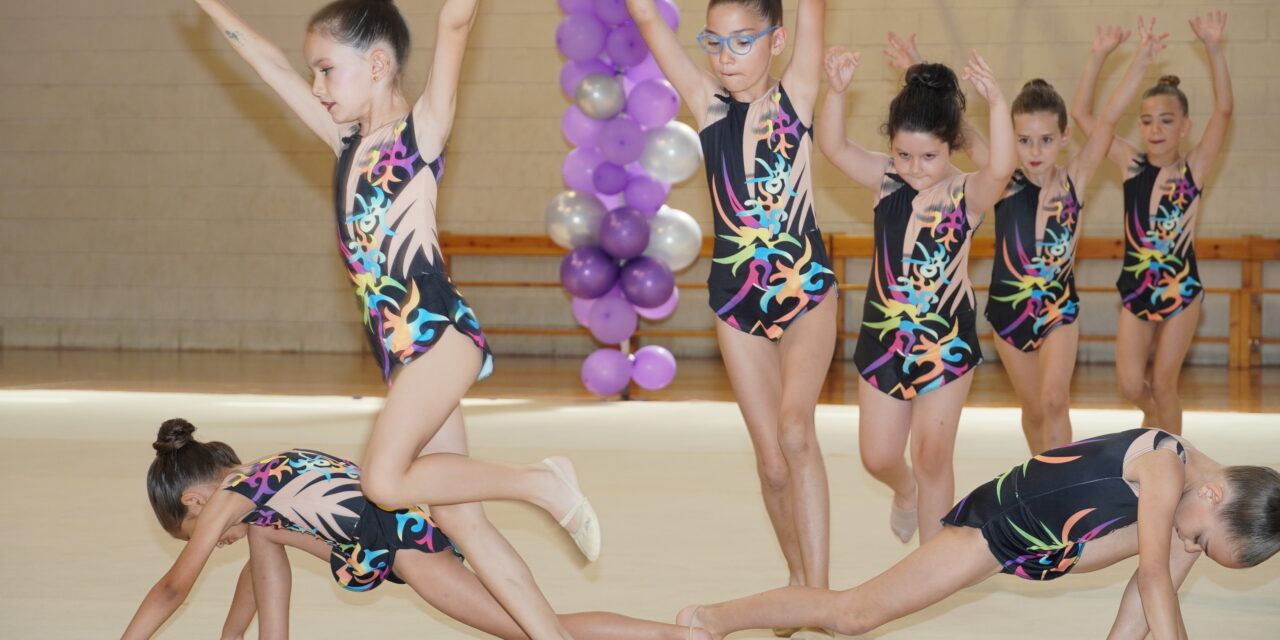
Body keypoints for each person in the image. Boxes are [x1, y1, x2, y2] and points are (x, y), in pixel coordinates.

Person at [183, 2, 599, 637]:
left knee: (382, 478)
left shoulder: (419, 134)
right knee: (462, 521)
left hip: (437, 333)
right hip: (406, 356)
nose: (316, 87)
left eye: (326, 71)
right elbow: (265, 64)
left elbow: (455, 25)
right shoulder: (345, 144)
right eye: (313, 74)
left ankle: (540, 482)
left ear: (378, 64)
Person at [627, 3, 837, 635]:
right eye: (714, 42)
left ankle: (818, 601)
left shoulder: (797, 93)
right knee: (772, 461)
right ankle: (798, 585)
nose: (724, 56)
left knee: (797, 431)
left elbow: (813, 11)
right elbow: (647, 22)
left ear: (775, 42)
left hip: (804, 291)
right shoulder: (708, 104)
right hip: (736, 302)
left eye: (741, 42)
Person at [123, 420, 710, 640]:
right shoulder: (263, 491)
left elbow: (174, 587)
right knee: (265, 539)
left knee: (536, 629)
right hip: (394, 536)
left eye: (199, 533)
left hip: (403, 543)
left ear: (196, 500)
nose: (212, 541)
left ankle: (677, 638)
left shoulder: (232, 497)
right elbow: (258, 577)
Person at [675, 427, 1280, 639]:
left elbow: (1145, 606)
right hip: (992, 533)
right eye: (1203, 540)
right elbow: (1150, 577)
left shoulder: (1186, 518)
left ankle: (712, 619)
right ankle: (710, 618)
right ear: (1213, 493)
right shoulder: (1164, 464)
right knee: (853, 616)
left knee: (1162, 575)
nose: (1192, 547)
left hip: (1032, 552)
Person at [817, 46, 1016, 543]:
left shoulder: (967, 193)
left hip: (945, 340)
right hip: (884, 338)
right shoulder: (886, 181)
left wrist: (995, 103)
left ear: (951, 146)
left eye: (929, 156)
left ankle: (933, 564)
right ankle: (903, 490)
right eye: (904, 154)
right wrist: (836, 92)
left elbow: (1000, 169)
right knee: (878, 456)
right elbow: (833, 147)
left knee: (932, 454)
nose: (916, 167)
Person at [981, 19, 1167, 454]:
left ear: (1064, 137)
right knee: (1032, 409)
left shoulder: (1076, 178)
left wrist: (1138, 59)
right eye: (1024, 140)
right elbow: (961, 132)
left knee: (1053, 399)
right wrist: (919, 71)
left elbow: (1107, 120)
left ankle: (1059, 487)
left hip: (1058, 310)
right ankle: (1040, 471)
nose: (1034, 151)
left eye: (1046, 140)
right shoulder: (1002, 179)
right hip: (1008, 315)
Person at [1071, 12, 1234, 435]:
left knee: (1164, 384)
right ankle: (1152, 418)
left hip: (1181, 289)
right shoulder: (1130, 163)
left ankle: (1175, 456)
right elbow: (1083, 115)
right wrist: (1098, 56)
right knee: (1129, 385)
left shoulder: (1193, 168)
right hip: (1136, 287)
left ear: (1184, 127)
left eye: (1165, 120)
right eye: (1146, 120)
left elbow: (1225, 111)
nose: (1155, 128)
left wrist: (1214, 48)